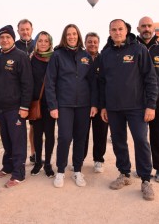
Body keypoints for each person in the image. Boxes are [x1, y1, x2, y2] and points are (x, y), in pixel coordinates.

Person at [94, 19, 158, 201]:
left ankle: (146, 180)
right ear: (110, 31)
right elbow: (102, 83)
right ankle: (124, 173)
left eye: (120, 29)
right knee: (118, 142)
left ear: (127, 30)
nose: (117, 32)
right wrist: (104, 106)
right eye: (113, 29)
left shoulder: (139, 50)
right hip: (114, 108)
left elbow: (150, 79)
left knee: (140, 141)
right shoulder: (105, 54)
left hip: (137, 107)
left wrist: (151, 105)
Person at [46, 24, 98, 188]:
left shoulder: (85, 56)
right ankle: (60, 171)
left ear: (78, 35)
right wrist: (53, 106)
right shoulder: (57, 55)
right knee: (65, 137)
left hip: (83, 104)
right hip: (64, 105)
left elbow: (93, 83)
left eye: (74, 34)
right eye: (69, 34)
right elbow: (50, 82)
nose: (72, 36)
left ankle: (77, 171)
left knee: (81, 138)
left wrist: (94, 104)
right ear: (64, 36)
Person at [0, 25, 33, 188]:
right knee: (6, 141)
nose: (5, 40)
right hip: (1, 108)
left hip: (16, 108)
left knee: (18, 142)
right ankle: (8, 167)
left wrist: (24, 107)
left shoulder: (21, 56)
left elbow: (27, 83)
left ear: (12, 38)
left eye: (8, 37)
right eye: (1, 37)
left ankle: (19, 174)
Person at [136, 16, 159, 183]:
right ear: (138, 29)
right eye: (143, 26)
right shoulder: (134, 47)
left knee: (157, 134)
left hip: (158, 99)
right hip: (138, 99)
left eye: (149, 26)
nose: (146, 28)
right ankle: (143, 167)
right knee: (140, 136)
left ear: (153, 28)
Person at [29, 31, 56, 178]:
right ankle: (38, 162)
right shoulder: (32, 58)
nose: (43, 43)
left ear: (50, 43)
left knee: (50, 134)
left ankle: (48, 164)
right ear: (36, 43)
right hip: (36, 102)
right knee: (37, 134)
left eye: (46, 41)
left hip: (51, 102)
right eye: (40, 41)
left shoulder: (55, 58)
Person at [83, 32, 108, 174]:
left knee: (101, 132)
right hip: (84, 103)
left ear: (99, 43)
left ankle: (98, 159)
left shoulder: (103, 58)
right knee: (82, 133)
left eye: (95, 42)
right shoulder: (80, 58)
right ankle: (79, 159)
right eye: (89, 42)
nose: (92, 44)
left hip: (101, 102)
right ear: (85, 43)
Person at [15, 19, 37, 164]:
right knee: (18, 126)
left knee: (34, 125)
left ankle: (34, 153)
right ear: (18, 31)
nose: (25, 32)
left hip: (36, 92)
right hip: (18, 93)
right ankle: (18, 157)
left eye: (27, 29)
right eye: (22, 29)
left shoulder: (39, 44)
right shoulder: (14, 46)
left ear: (32, 29)